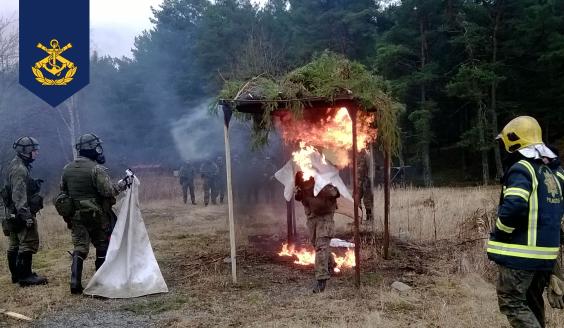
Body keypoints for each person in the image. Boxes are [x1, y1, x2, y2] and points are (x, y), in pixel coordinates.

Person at [486, 116, 564, 327]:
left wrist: (500, 232)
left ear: (514, 140)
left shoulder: (522, 168)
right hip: (546, 257)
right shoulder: (556, 172)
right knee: (532, 302)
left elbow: (515, 206)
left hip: (521, 255)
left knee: (512, 302)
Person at [60, 133, 130, 294]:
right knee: (102, 244)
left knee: (80, 247)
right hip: (97, 215)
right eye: (97, 146)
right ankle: (101, 280)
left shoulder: (67, 169)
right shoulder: (96, 169)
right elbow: (107, 191)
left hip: (76, 215)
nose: (100, 149)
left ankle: (75, 282)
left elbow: (63, 192)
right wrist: (121, 185)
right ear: (91, 148)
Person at [1, 137, 47, 287]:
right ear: (26, 152)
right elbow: (18, 194)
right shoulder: (20, 169)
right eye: (34, 150)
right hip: (18, 211)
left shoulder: (13, 164)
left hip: (9, 212)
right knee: (27, 242)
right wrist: (26, 216)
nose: (37, 153)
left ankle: (16, 275)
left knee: (14, 243)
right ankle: (26, 277)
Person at [294, 171, 340, 293]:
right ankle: (330, 265)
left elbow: (335, 193)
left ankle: (321, 280)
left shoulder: (323, 178)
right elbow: (298, 197)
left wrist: (322, 185)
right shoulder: (302, 177)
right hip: (312, 219)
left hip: (325, 219)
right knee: (318, 246)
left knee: (321, 247)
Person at [358, 149, 374, 221]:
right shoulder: (358, 155)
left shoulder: (367, 155)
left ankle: (369, 218)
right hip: (359, 180)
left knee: (367, 200)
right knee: (356, 198)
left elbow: (370, 169)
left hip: (367, 181)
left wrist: (369, 180)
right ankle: (359, 218)